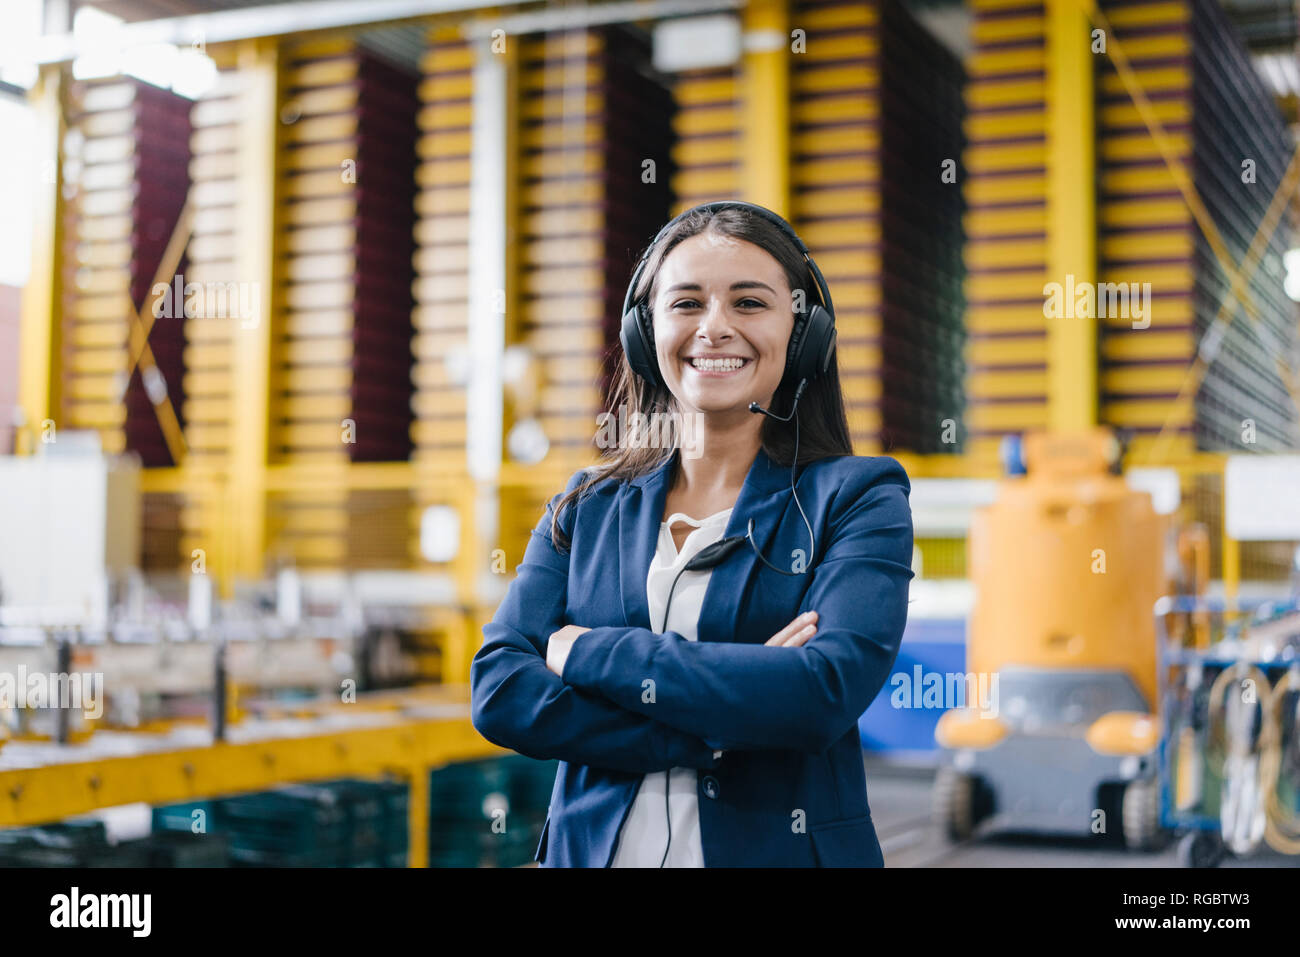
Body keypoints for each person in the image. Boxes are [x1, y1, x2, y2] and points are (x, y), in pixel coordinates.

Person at [470, 201, 914, 867]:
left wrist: (586, 652)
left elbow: (819, 694)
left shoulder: (858, 497)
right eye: (686, 303)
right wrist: (713, 724)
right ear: (645, 332)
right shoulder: (586, 504)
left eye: (749, 303)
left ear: (803, 334)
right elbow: (501, 691)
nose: (715, 328)